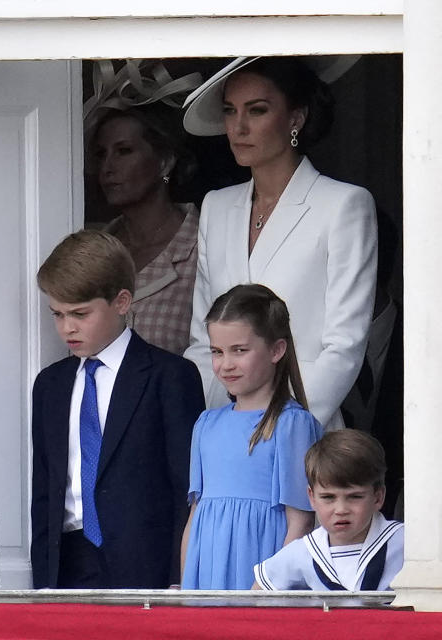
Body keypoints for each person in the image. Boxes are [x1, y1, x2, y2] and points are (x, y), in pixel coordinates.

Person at [182, 56, 378, 430]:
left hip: (305, 430)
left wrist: (282, 425)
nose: (239, 127)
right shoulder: (216, 206)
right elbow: (201, 341)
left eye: (257, 110)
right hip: (224, 430)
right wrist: (215, 425)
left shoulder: (343, 205)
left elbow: (344, 346)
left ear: (295, 118)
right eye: (229, 111)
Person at [31, 229, 205, 589]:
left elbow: (186, 487)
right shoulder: (50, 385)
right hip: (67, 565)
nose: (67, 328)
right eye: (58, 314)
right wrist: (43, 578)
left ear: (122, 301)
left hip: (146, 565)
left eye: (80, 313)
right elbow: (46, 489)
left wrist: (180, 575)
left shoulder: (169, 376)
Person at [181, 284, 322, 590]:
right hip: (208, 577)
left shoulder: (291, 424)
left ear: (276, 350)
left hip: (261, 576)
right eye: (217, 352)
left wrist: (269, 589)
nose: (225, 364)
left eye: (239, 350)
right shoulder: (206, 424)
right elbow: (194, 520)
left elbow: (300, 522)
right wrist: (187, 588)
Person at [92, 106, 199, 355]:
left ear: (164, 162)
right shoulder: (94, 252)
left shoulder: (202, 245)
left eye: (123, 151)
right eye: (101, 154)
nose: (107, 167)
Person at [252, 429, 404, 592]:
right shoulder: (304, 551)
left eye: (355, 497)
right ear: (312, 498)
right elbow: (255, 597)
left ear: (378, 497)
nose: (341, 509)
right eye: (328, 497)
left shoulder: (405, 544)